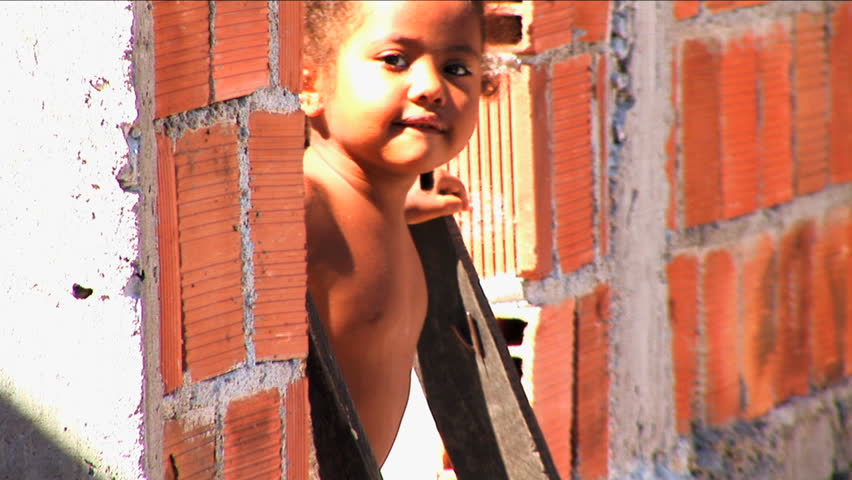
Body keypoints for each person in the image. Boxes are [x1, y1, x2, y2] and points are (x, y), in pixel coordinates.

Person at [300, 0, 495, 465]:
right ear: (311, 85)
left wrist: (399, 208)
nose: (432, 87)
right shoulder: (304, 208)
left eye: (456, 68)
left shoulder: (373, 207)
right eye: (395, 60)